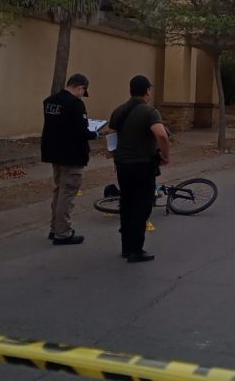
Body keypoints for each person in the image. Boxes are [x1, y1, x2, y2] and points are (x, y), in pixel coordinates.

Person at [108, 74, 170, 263]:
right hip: (142, 165)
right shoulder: (149, 112)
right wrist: (165, 155)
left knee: (127, 204)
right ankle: (136, 250)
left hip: (123, 165)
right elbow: (162, 135)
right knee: (142, 206)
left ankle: (126, 247)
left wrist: (115, 155)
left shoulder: (119, 110)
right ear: (147, 91)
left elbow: (111, 135)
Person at [41, 73, 99, 245]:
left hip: (54, 153)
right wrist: (94, 134)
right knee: (67, 195)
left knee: (59, 191)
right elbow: (82, 131)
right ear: (80, 87)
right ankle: (63, 233)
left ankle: (55, 228)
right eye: (83, 91)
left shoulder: (50, 101)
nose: (82, 95)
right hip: (72, 155)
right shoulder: (76, 104)